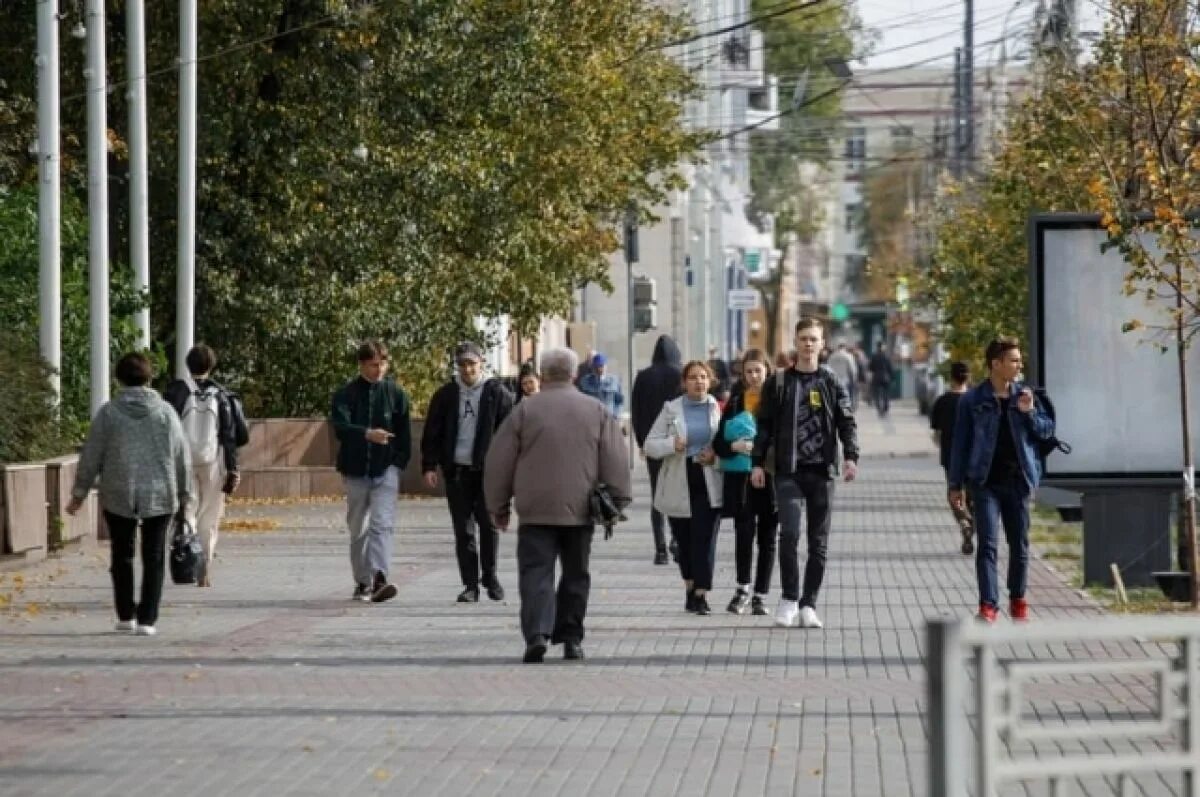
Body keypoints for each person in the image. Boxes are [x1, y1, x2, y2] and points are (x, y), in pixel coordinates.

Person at [484, 347, 631, 663]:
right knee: (576, 574)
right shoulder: (595, 410)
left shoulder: (524, 411)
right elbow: (615, 457)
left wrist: (498, 505)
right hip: (581, 509)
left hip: (534, 509)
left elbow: (499, 460)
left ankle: (537, 633)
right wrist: (617, 500)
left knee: (535, 572)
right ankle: (572, 638)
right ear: (574, 374)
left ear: (542, 374)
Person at [66, 352, 191, 636]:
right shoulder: (166, 412)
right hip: (160, 492)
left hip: (118, 491)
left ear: (118, 379)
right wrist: (185, 493)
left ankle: (125, 615)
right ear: (149, 378)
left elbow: (92, 455)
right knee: (154, 556)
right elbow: (182, 455)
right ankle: (148, 619)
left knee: (121, 554)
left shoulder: (108, 413)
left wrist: (79, 493)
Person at [752, 318, 859, 630]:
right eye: (803, 339)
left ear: (822, 343)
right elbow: (764, 426)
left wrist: (851, 456)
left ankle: (808, 604)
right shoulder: (780, 382)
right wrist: (758, 462)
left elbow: (846, 421)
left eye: (813, 339)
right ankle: (788, 598)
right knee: (789, 535)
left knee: (818, 542)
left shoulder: (831, 381)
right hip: (788, 471)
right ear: (795, 342)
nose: (808, 344)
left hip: (822, 472)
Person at [948, 337, 1055, 623]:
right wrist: (955, 484)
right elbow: (960, 443)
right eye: (1014, 360)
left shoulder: (1027, 396)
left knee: (1019, 545)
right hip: (985, 483)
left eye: (1020, 360)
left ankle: (1018, 598)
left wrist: (1030, 412)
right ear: (996, 364)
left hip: (1018, 482)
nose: (1019, 365)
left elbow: (1046, 432)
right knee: (988, 545)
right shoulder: (973, 400)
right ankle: (988, 605)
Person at [421, 341, 515, 603]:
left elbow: (511, 434)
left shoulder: (497, 393)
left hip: (488, 471)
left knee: (489, 525)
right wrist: (429, 465)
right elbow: (433, 432)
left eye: (471, 364)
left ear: (481, 363)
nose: (467, 369)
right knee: (463, 530)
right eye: (462, 364)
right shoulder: (446, 395)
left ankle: (491, 575)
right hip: (457, 470)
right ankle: (470, 584)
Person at [330, 340, 412, 604]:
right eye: (374, 365)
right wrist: (366, 434)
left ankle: (379, 577)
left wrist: (399, 461)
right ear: (362, 365)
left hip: (385, 468)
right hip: (355, 470)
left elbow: (405, 432)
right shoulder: (346, 394)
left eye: (383, 364)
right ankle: (362, 580)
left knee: (382, 524)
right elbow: (340, 427)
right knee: (358, 529)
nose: (379, 370)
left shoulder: (395, 393)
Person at [644, 361, 724, 615]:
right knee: (685, 540)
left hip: (709, 478)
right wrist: (672, 445)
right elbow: (649, 445)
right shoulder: (671, 410)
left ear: (710, 381)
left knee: (705, 539)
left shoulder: (718, 409)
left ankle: (702, 593)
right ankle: (690, 586)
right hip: (680, 478)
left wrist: (716, 457)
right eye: (693, 377)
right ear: (684, 382)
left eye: (703, 377)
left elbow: (728, 444)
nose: (698, 382)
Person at [163, 344, 242, 587]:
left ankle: (186, 559)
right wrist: (233, 468)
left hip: (182, 462)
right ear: (211, 366)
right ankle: (204, 569)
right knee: (210, 515)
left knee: (188, 511)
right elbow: (229, 436)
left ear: (188, 365)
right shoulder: (221, 395)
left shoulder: (175, 391)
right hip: (213, 463)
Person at [712, 349, 778, 616]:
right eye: (748, 371)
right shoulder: (737, 401)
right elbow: (719, 441)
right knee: (744, 533)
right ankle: (743, 588)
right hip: (741, 478)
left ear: (767, 371)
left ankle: (761, 594)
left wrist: (762, 453)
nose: (753, 376)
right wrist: (733, 446)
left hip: (770, 477)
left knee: (768, 536)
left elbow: (784, 438)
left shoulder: (777, 401)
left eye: (757, 371)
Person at [631, 334, 683, 565]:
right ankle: (677, 540)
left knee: (657, 495)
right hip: (676, 445)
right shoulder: (680, 375)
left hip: (653, 445)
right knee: (677, 493)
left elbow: (636, 412)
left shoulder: (643, 377)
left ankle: (660, 549)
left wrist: (642, 443)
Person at [930, 362, 975, 555]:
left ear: (951, 378)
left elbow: (937, 434)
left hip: (951, 457)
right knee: (973, 496)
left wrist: (944, 446)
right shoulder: (975, 401)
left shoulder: (942, 402)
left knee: (955, 494)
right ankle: (972, 521)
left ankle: (964, 520)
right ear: (968, 378)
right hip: (974, 457)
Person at [578, 353, 624, 418]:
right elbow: (581, 400)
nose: (599, 369)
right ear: (593, 367)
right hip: (591, 417)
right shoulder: (585, 381)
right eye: (596, 366)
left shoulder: (614, 381)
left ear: (606, 366)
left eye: (601, 366)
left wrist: (616, 415)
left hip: (609, 417)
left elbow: (619, 401)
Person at [826, 343, 859, 411]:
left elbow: (828, 368)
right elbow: (852, 369)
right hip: (845, 379)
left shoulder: (832, 356)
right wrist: (854, 378)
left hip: (833, 379)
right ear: (844, 348)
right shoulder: (848, 356)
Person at [867, 343, 894, 416]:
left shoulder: (874, 357)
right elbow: (890, 368)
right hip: (885, 377)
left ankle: (879, 408)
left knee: (876, 394)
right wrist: (891, 377)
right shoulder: (886, 357)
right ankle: (885, 407)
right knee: (886, 393)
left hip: (876, 377)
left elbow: (870, 368)